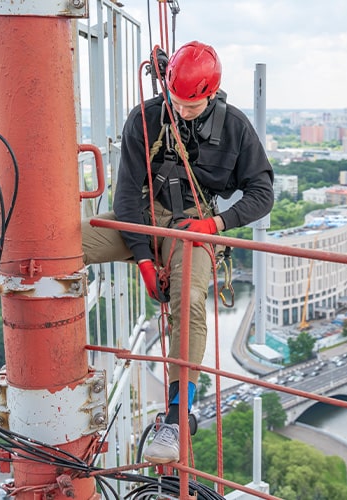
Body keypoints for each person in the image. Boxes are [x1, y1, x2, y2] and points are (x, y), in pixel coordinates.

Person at [81, 41, 274, 464]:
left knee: (188, 302)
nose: (182, 110)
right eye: (176, 101)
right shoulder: (147, 118)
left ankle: (175, 413)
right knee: (69, 241)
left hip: (192, 226)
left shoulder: (235, 128)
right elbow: (128, 195)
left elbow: (262, 194)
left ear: (210, 94)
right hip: (144, 219)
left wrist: (214, 225)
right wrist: (144, 259)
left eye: (191, 105)